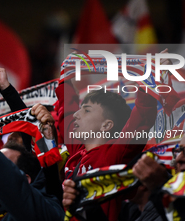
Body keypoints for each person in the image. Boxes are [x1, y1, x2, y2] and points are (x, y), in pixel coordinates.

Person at [59, 81, 157, 220]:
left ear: (106, 125)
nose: (76, 114)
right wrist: (65, 79)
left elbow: (141, 118)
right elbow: (67, 113)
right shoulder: (78, 151)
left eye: (86, 110)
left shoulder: (114, 155)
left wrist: (150, 79)